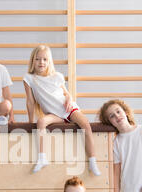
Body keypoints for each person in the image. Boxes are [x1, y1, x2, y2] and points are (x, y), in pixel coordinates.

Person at [23, 45, 101, 175]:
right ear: (32, 61)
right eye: (37, 59)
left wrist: (70, 100)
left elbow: (66, 94)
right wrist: (30, 121)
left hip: (68, 109)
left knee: (85, 124)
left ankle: (92, 161)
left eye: (44, 59)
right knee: (41, 122)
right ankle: (42, 158)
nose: (41, 62)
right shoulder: (29, 78)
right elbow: (30, 102)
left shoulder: (56, 76)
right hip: (53, 114)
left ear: (49, 61)